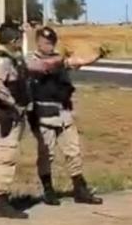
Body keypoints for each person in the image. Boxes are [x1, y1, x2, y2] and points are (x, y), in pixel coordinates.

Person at [29, 27, 105, 205]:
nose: (49, 46)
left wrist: (97, 55)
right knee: (46, 155)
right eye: (46, 42)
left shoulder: (59, 60)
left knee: (74, 152)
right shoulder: (32, 61)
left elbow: (77, 61)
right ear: (38, 42)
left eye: (52, 42)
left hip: (64, 113)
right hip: (44, 116)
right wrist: (61, 62)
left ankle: (80, 189)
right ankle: (48, 190)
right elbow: (44, 67)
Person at [0, 22, 34, 219]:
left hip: (10, 114)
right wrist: (13, 103)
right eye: (20, 39)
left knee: (6, 155)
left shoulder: (11, 57)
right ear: (13, 41)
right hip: (5, 116)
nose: (22, 43)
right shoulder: (1, 60)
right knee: (5, 156)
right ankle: (0, 200)